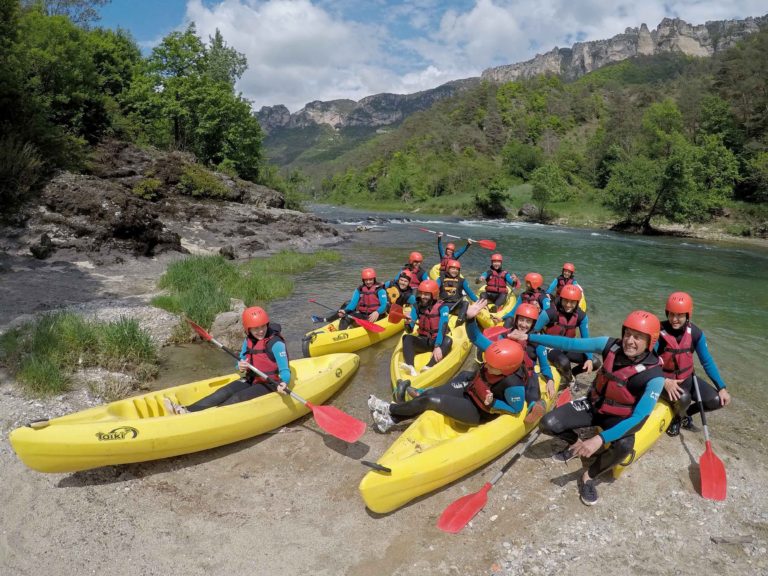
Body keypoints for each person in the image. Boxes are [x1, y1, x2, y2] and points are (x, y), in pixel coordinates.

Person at [510, 310, 664, 506]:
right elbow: (570, 344)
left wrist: (600, 439)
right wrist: (528, 336)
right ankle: (575, 442)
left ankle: (589, 477)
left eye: (638, 337)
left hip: (619, 417)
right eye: (627, 334)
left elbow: (639, 419)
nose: (629, 341)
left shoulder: (655, 376)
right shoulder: (610, 345)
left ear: (650, 342)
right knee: (547, 423)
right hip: (593, 405)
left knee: (624, 446)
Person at [367, 299, 530, 433]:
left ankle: (390, 409)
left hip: (479, 411)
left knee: (431, 400)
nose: (487, 364)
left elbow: (515, 408)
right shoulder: (498, 353)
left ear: (507, 367)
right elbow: (475, 337)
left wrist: (493, 403)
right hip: (470, 390)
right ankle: (390, 420)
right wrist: (471, 318)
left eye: (493, 365)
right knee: (431, 392)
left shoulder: (513, 383)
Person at [164, 306, 289, 414]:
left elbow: (285, 370)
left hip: (270, 383)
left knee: (237, 397)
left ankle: (210, 418)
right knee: (222, 392)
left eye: (263, 326)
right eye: (256, 328)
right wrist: (240, 367)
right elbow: (238, 365)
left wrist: (284, 383)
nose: (261, 331)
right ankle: (187, 410)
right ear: (248, 329)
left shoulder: (276, 343)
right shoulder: (248, 341)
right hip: (252, 378)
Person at [656, 291, 731, 436]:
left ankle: (683, 415)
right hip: (664, 380)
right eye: (671, 314)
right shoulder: (658, 331)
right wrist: (664, 381)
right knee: (684, 398)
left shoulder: (696, 334)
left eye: (679, 315)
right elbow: (648, 361)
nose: (674, 319)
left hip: (687, 379)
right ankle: (676, 419)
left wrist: (721, 387)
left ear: (687, 315)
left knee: (717, 401)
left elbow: (707, 361)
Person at [533, 284, 599, 388]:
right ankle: (569, 379)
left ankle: (571, 373)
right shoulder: (550, 313)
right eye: (566, 301)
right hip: (549, 347)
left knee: (595, 362)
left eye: (572, 302)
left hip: (568, 346)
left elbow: (586, 340)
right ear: (561, 299)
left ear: (577, 302)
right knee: (564, 362)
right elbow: (533, 332)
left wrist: (589, 358)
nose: (568, 305)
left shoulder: (581, 316)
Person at [398, 279, 452, 377]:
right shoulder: (416, 306)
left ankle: (429, 366)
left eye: (426, 294)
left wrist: (437, 346)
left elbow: (443, 327)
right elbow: (409, 330)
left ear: (433, 295)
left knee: (448, 340)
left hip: (437, 340)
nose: (423, 297)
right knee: (406, 337)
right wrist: (407, 323)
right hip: (424, 340)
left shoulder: (443, 307)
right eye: (421, 293)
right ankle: (410, 366)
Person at [316, 268, 388, 329]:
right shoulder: (359, 290)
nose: (368, 282)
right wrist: (345, 310)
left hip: (375, 315)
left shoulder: (380, 290)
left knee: (372, 317)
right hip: (363, 314)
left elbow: (384, 304)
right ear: (363, 280)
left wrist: (377, 312)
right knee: (346, 317)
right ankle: (340, 334)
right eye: (366, 280)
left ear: (374, 279)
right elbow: (353, 304)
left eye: (370, 279)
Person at [436, 258, 478, 324]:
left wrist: (479, 302)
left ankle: (460, 320)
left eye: (457, 269)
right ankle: (443, 323)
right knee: (444, 309)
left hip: (456, 305)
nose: (455, 271)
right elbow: (434, 289)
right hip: (444, 304)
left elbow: (470, 293)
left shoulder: (462, 281)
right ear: (448, 269)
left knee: (465, 303)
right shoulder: (440, 279)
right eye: (453, 268)